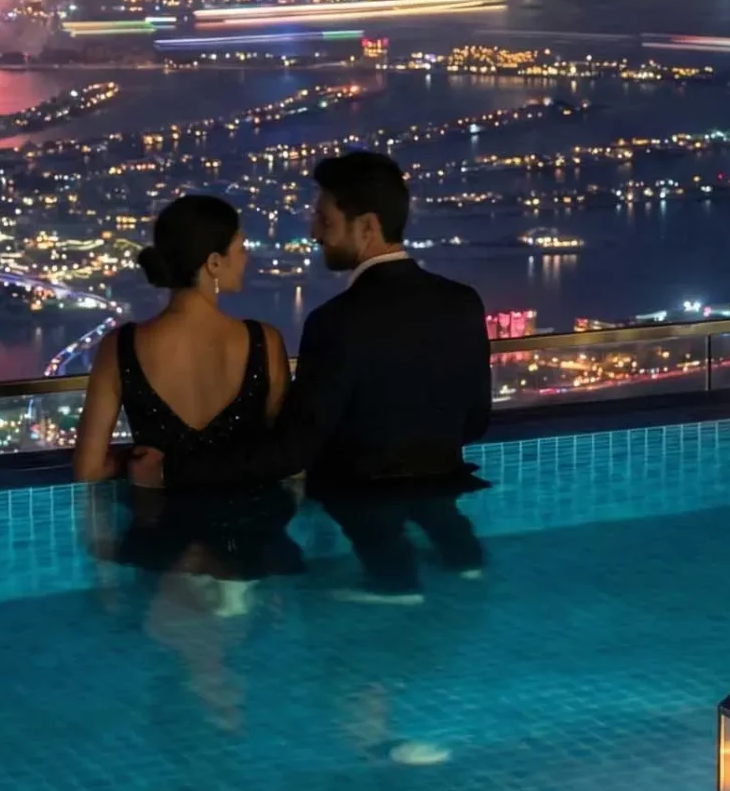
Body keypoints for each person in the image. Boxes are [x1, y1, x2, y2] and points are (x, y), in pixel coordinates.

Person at [130, 151, 491, 493]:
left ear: (367, 226)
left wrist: (169, 472)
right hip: (447, 498)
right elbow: (476, 420)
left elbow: (290, 452)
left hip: (358, 515)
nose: (314, 233)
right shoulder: (463, 303)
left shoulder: (337, 322)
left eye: (325, 219)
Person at [71, 194, 302, 581]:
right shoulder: (264, 341)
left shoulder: (121, 346)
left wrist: (139, 462)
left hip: (160, 539)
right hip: (249, 540)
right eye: (240, 248)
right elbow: (288, 460)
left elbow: (88, 468)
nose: (246, 258)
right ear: (213, 262)